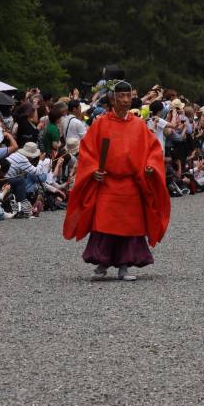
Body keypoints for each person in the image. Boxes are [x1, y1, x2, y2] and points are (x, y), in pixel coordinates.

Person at [63, 80, 170, 281]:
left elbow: (153, 149)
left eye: (128, 96)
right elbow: (88, 150)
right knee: (104, 223)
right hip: (108, 182)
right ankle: (103, 262)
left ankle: (124, 266)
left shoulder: (138, 125)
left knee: (130, 226)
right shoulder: (101, 123)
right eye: (121, 96)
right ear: (113, 99)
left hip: (131, 183)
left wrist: (149, 166)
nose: (125, 100)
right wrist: (94, 170)